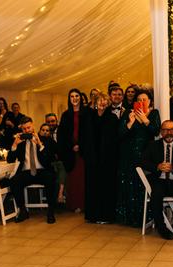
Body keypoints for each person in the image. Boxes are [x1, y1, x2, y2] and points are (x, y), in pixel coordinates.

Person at [117, 88, 161, 227]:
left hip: (146, 154)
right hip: (128, 154)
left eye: (144, 100)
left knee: (143, 184)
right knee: (129, 184)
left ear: (149, 101)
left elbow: (155, 131)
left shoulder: (154, 113)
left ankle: (144, 217)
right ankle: (129, 218)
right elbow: (120, 134)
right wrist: (130, 122)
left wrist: (145, 120)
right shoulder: (128, 113)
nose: (141, 102)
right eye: (139, 100)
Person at [8, 119, 57, 224]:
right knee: (14, 181)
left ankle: (51, 211)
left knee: (51, 179)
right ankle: (23, 210)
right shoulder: (20, 141)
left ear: (33, 126)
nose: (27, 130)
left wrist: (39, 144)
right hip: (26, 171)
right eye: (24, 129)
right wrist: (14, 145)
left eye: (29, 127)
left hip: (41, 170)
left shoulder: (44, 139)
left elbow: (49, 158)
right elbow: (10, 160)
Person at [83, 92, 120, 223]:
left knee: (106, 187)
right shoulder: (89, 117)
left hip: (108, 159)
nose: (102, 103)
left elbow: (115, 140)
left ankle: (106, 216)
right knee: (93, 187)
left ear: (108, 103)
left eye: (105, 101)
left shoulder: (113, 118)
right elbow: (85, 138)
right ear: (95, 102)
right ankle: (93, 215)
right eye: (100, 100)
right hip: (92, 159)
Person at [58, 88, 88, 212]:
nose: (74, 98)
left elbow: (89, 133)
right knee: (74, 179)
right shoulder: (66, 115)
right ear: (69, 99)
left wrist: (81, 145)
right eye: (72, 96)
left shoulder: (87, 113)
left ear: (80, 97)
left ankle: (85, 204)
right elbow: (62, 135)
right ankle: (75, 204)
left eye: (76, 96)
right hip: (71, 153)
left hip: (84, 151)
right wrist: (72, 146)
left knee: (84, 178)